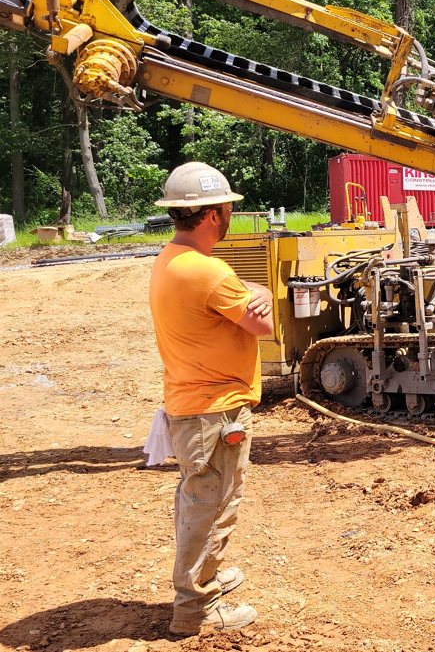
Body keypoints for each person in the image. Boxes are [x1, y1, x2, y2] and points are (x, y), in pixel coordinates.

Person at [148, 162, 274, 636]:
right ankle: (196, 609)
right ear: (214, 215)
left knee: (198, 500)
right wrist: (257, 292)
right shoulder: (209, 272)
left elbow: (245, 300)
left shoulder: (170, 260)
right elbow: (261, 324)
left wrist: (252, 289)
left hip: (190, 405)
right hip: (215, 412)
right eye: (227, 210)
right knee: (213, 506)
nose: (229, 217)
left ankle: (205, 576)